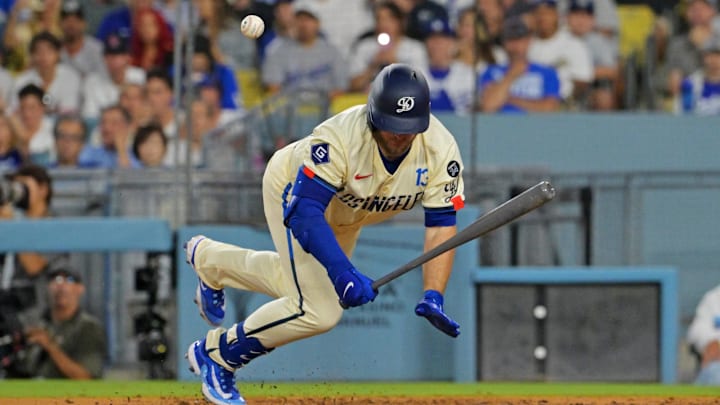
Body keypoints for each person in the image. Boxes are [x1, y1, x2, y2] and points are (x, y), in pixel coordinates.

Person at [184, 63, 465, 404]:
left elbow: (440, 227)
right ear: (373, 114)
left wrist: (434, 293)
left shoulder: (440, 149)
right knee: (319, 309)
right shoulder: (341, 137)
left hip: (349, 215)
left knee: (300, 286)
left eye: (410, 127)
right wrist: (342, 272)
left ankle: (211, 261)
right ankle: (218, 356)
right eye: (392, 126)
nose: (400, 135)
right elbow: (304, 215)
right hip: (295, 194)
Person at [6, 268, 106, 379]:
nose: (61, 286)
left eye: (69, 280)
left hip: (70, 394)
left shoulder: (89, 327)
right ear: (47, 288)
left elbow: (86, 377)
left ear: (80, 289)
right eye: (56, 280)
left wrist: (49, 346)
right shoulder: (39, 323)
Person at [261, 2, 348, 98]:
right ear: (292, 22)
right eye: (299, 19)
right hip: (290, 109)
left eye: (308, 19)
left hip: (326, 108)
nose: (303, 24)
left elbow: (341, 87)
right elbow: (273, 88)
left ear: (318, 23)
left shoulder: (331, 51)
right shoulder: (277, 51)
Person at [479, 16, 562, 113]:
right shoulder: (491, 71)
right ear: (504, 43)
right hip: (501, 125)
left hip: (535, 125)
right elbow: (488, 105)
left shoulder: (546, 72)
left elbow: (549, 108)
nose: (515, 46)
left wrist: (509, 99)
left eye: (519, 40)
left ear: (528, 41)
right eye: (510, 40)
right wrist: (511, 75)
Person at [349, 1, 428, 92]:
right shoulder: (364, 47)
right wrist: (373, 67)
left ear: (401, 22)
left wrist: (395, 65)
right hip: (368, 100)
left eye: (389, 19)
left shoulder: (415, 48)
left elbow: (419, 85)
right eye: (379, 19)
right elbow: (353, 86)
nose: (384, 24)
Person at [527, 0, 594, 104]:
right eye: (538, 13)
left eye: (547, 13)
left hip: (563, 104)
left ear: (556, 15)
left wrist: (567, 102)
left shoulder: (573, 44)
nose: (542, 18)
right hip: (528, 103)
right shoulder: (524, 44)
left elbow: (582, 81)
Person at [10, 31, 82, 114]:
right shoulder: (22, 81)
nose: (43, 56)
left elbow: (69, 113)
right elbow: (15, 112)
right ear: (32, 56)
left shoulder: (71, 77)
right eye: (38, 51)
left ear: (58, 53)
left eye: (49, 51)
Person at [82, 33, 146, 121]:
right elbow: (90, 117)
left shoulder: (141, 77)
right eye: (110, 56)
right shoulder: (92, 82)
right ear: (104, 59)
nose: (114, 61)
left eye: (119, 55)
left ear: (128, 57)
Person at [421, 17, 475, 114]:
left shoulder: (467, 75)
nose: (437, 44)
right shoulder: (413, 75)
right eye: (433, 39)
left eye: (443, 39)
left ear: (453, 43)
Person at [58, 0, 105, 79]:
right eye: (67, 20)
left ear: (84, 24)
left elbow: (103, 80)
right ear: (60, 23)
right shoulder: (54, 47)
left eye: (76, 20)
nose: (71, 24)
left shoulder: (96, 49)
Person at [677, 37, 720, 115]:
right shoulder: (690, 83)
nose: (714, 60)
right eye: (709, 55)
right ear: (703, 57)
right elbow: (684, 113)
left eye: (718, 55)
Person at [687, 283, 720, 385]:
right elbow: (696, 330)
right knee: (714, 372)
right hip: (716, 362)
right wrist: (710, 341)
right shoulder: (714, 298)